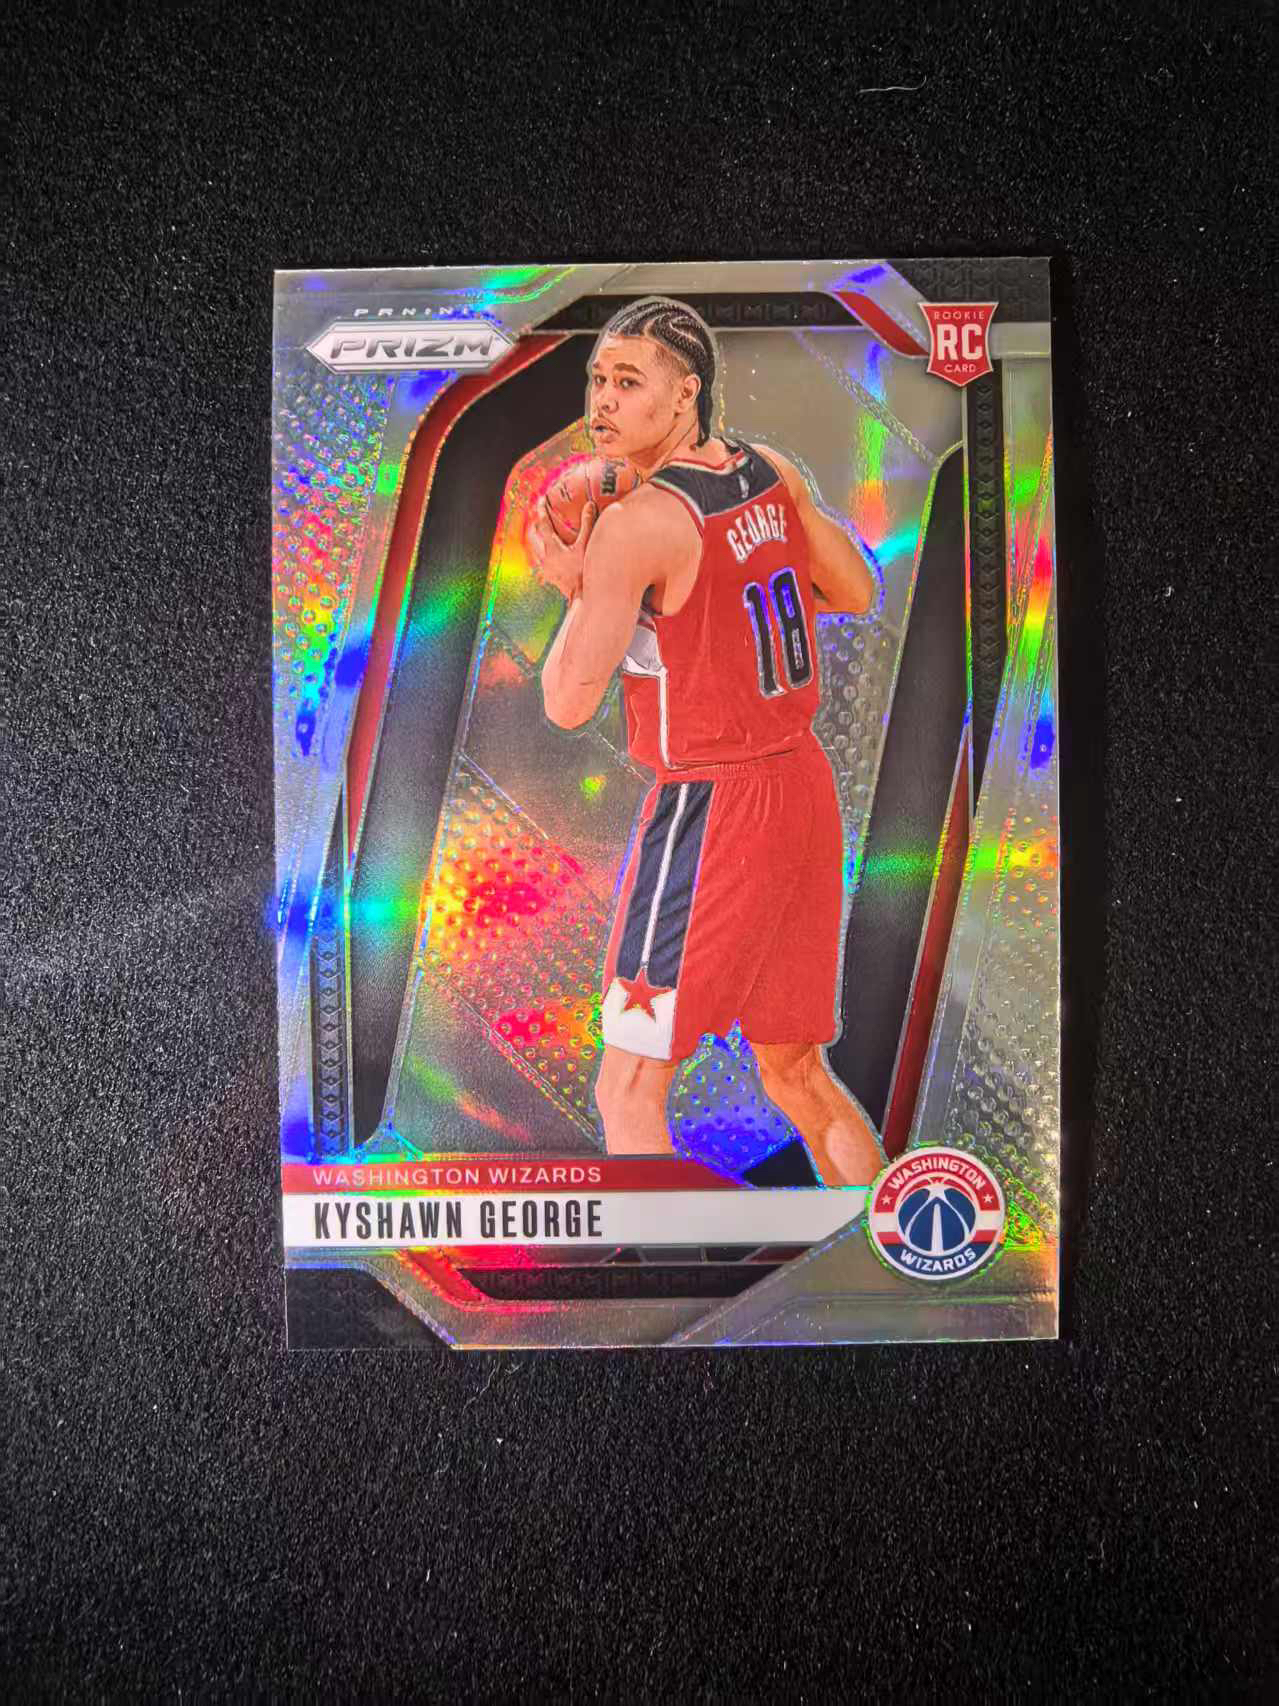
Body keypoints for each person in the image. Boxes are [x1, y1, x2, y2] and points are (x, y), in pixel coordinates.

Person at [528, 297, 882, 1187]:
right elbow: (854, 590)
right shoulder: (770, 471)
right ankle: (885, 1250)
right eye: (596, 380)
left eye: (627, 382)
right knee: (795, 1072)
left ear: (685, 392)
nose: (601, 401)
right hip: (800, 790)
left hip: (711, 804)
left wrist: (578, 586)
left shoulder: (635, 525)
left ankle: (657, 1268)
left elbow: (565, 704)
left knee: (628, 1085)